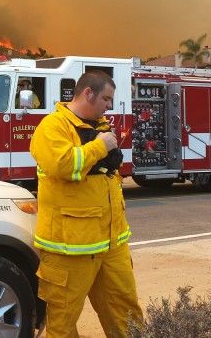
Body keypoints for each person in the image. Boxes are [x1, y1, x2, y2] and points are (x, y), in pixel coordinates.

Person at [30, 70, 142, 337]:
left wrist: (105, 151)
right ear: (87, 93)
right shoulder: (52, 127)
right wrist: (100, 148)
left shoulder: (99, 126)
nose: (109, 106)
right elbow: (63, 165)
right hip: (70, 249)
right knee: (63, 322)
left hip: (111, 244)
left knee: (127, 314)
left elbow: (103, 173)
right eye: (106, 98)